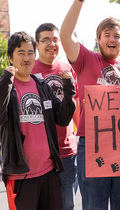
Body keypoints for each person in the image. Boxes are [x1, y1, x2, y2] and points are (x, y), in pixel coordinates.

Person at [60, 0, 120, 210]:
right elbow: (65, 35)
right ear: (99, 39)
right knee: (94, 205)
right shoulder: (85, 60)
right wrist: (79, 0)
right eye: (107, 35)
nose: (112, 39)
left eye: (117, 36)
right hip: (92, 144)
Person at [0, 31, 76, 210]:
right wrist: (5, 81)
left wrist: (69, 88)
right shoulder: (5, 88)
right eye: (21, 53)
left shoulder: (42, 86)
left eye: (30, 53)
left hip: (49, 172)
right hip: (21, 176)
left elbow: (63, 118)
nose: (26, 58)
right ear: (10, 58)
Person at [32, 23, 80, 210]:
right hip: (41, 154)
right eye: (46, 40)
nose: (51, 44)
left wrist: (80, 134)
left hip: (67, 151)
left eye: (55, 40)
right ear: (37, 45)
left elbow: (74, 105)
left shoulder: (67, 68)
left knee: (68, 204)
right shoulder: (29, 71)